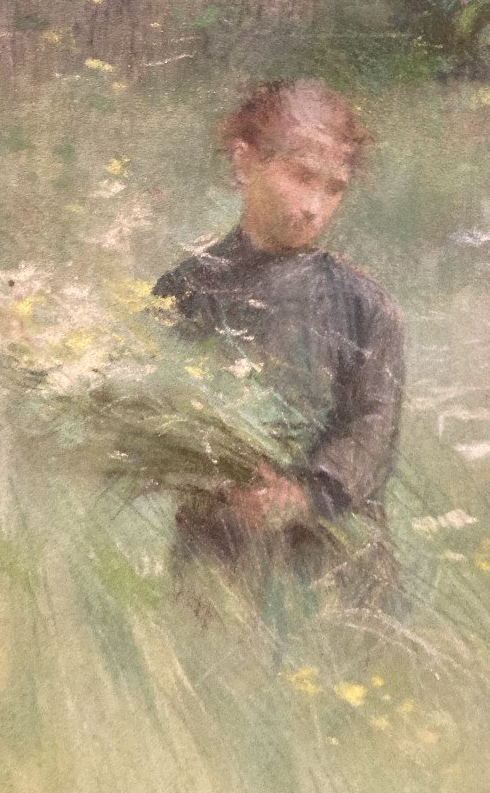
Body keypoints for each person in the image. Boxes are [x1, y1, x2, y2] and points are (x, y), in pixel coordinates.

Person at [151, 79, 405, 621]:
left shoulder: (364, 306)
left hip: (333, 562)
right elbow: (159, 407)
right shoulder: (184, 291)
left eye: (334, 187)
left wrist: (302, 496)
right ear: (245, 162)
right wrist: (209, 471)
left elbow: (373, 428)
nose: (315, 206)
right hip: (216, 556)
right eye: (301, 176)